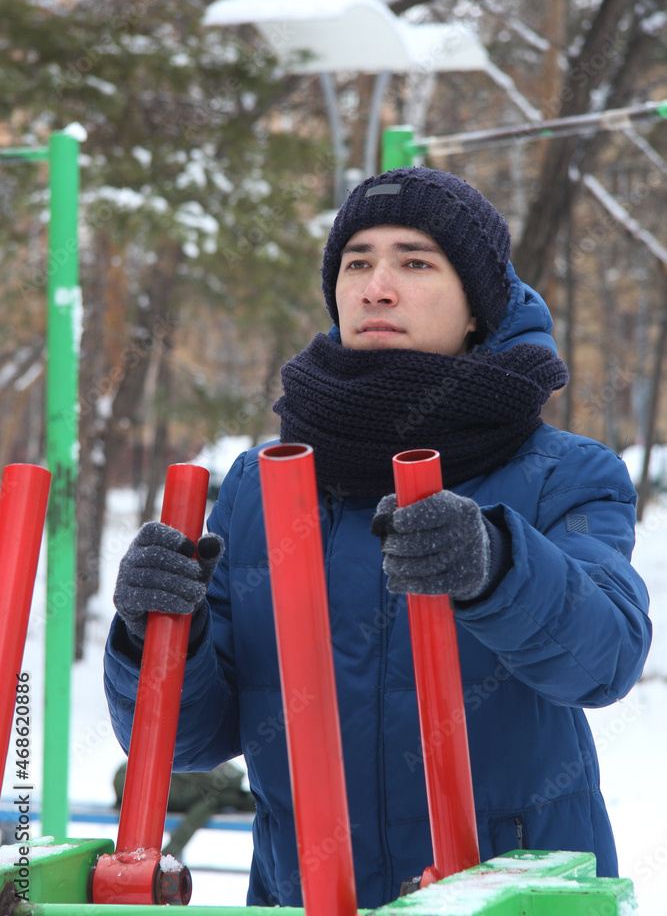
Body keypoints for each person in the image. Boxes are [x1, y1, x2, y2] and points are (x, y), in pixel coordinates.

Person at [104, 167, 652, 909]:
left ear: (475, 310)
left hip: (508, 894)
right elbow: (190, 742)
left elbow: (603, 658)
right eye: (356, 262)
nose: (376, 286)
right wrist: (156, 635)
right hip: (304, 894)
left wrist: (496, 566)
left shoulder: (563, 473)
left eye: (415, 262)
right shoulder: (257, 486)